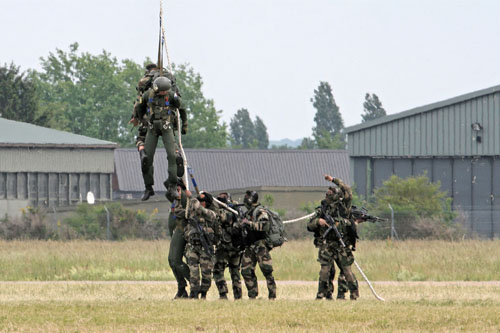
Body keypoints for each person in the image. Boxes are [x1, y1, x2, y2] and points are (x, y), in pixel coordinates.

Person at [133, 76, 187, 202]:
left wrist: (184, 125)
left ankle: (172, 186)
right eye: (162, 91)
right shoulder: (148, 95)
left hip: (167, 128)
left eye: (165, 91)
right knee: (146, 158)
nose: (164, 93)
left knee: (173, 156)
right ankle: (148, 187)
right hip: (152, 129)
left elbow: (182, 108)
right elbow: (139, 108)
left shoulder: (172, 95)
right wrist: (142, 120)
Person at [307, 175, 360, 300]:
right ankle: (322, 294)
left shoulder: (344, 207)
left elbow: (347, 190)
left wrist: (334, 180)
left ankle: (354, 294)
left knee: (347, 271)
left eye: (330, 194)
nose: (328, 196)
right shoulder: (323, 209)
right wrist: (317, 221)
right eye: (327, 194)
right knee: (325, 271)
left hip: (342, 243)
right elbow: (309, 225)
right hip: (327, 244)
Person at [240, 190, 276, 300]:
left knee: (267, 271)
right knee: (246, 271)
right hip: (250, 246)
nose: (245, 199)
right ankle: (252, 295)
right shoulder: (248, 212)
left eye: (247, 197)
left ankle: (272, 296)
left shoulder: (260, 211)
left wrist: (249, 224)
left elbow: (264, 226)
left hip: (260, 246)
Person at [183, 192, 217, 299]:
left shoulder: (211, 213)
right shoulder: (193, 214)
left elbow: (207, 213)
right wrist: (189, 198)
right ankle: (193, 292)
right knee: (193, 272)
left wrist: (195, 201)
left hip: (205, 248)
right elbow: (187, 214)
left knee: (206, 274)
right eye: (199, 201)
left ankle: (203, 293)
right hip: (193, 247)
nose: (200, 203)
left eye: (202, 201)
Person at [212, 192, 243, 300]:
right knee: (235, 271)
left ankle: (223, 294)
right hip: (236, 247)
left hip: (226, 247)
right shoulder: (237, 212)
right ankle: (238, 296)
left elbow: (221, 218)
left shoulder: (227, 212)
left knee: (218, 270)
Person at [167, 178, 191, 299]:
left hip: (182, 231)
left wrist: (184, 188)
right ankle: (181, 288)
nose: (176, 192)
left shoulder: (184, 199)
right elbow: (167, 184)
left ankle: (194, 283)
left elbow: (186, 212)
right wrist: (174, 173)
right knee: (171, 261)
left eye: (178, 189)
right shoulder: (174, 199)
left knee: (176, 261)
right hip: (175, 232)